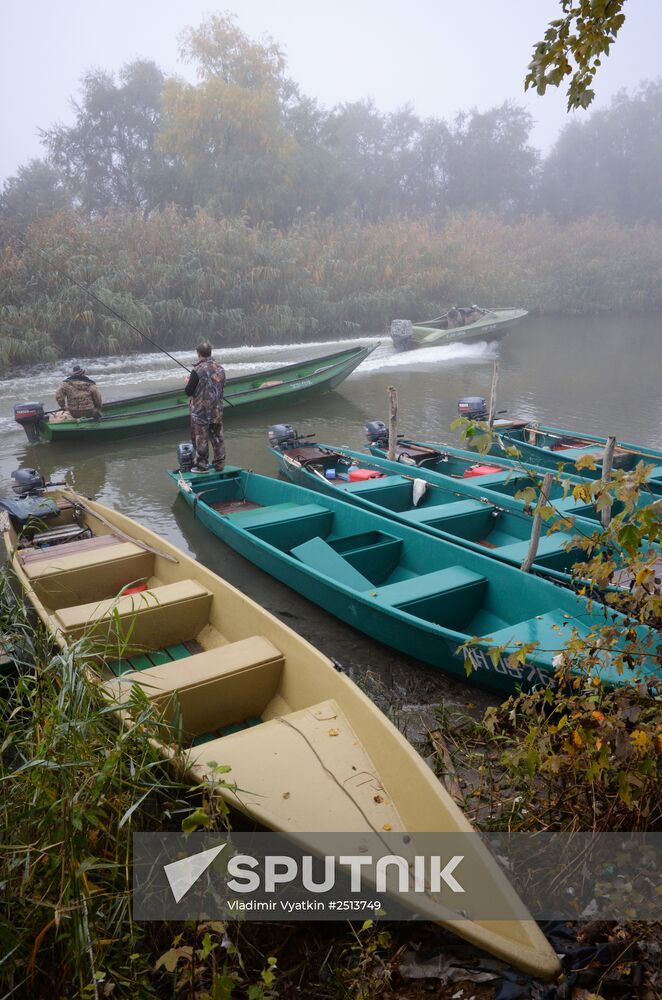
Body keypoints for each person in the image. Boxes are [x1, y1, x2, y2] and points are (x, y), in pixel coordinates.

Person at [184, 341, 226, 472]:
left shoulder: (196, 371)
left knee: (201, 439)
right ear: (210, 353)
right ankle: (219, 464)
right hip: (216, 411)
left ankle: (202, 466)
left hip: (201, 413)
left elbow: (188, 391)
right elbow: (221, 386)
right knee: (217, 438)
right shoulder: (220, 368)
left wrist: (187, 382)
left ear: (198, 354)